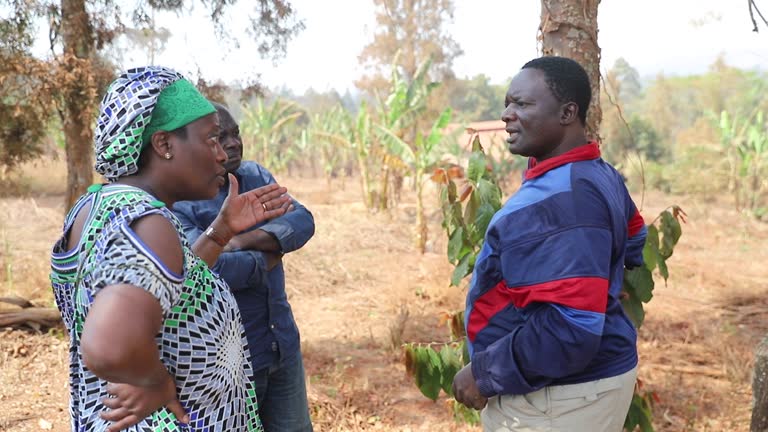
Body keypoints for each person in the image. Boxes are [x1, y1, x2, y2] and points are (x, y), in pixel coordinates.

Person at [50, 66, 293, 431]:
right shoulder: (148, 223)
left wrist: (219, 233)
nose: (222, 154)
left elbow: (172, 292)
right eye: (211, 138)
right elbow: (107, 347)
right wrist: (157, 382)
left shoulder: (97, 206)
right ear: (163, 145)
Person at [452, 56, 647, 432]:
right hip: (578, 387)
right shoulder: (596, 173)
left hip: (559, 397)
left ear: (567, 112)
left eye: (522, 104)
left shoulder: (563, 202)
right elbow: (636, 239)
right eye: (508, 103)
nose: (507, 114)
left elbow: (570, 329)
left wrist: (483, 374)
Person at [173, 103, 315, 431]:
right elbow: (210, 269)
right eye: (220, 137)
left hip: (280, 344)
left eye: (236, 133)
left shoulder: (255, 176)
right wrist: (267, 254)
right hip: (227, 362)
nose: (233, 143)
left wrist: (237, 240)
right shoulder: (182, 200)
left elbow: (302, 221)